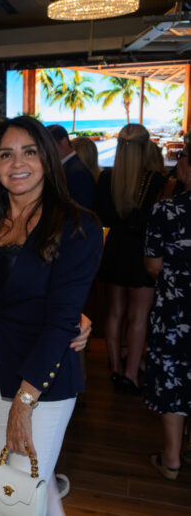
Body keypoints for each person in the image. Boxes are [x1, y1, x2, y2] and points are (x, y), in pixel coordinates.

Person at [0, 116, 103, 516]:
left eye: (29, 151)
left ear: (47, 159)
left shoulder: (77, 225)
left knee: (13, 496)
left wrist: (24, 402)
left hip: (41, 379)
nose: (17, 162)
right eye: (6, 154)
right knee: (21, 488)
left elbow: (61, 320)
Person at [94, 124, 166, 394]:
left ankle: (115, 368)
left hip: (114, 248)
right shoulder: (157, 180)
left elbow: (101, 216)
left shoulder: (107, 179)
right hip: (143, 251)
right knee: (138, 316)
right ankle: (131, 373)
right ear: (146, 146)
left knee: (114, 313)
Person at [144, 142, 191, 480]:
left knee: (174, 377)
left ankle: (171, 459)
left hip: (176, 310)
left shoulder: (167, 211)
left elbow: (153, 265)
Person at [47, 124, 96, 209]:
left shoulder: (77, 172)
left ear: (64, 142)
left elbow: (82, 211)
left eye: (49, 146)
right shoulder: (71, 166)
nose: (46, 150)